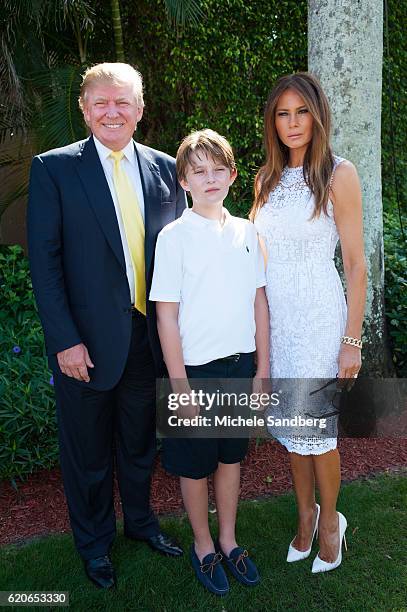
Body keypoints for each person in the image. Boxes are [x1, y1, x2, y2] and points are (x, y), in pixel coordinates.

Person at [27, 62, 186, 589]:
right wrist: (65, 341)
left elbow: (182, 255)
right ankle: (94, 544)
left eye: (123, 102)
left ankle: (140, 523)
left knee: (141, 444)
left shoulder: (167, 170)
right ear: (85, 108)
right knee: (88, 453)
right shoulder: (54, 169)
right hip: (86, 346)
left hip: (148, 340)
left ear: (140, 109)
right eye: (102, 102)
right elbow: (45, 265)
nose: (112, 111)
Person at [251, 72, 367, 573]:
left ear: (317, 116)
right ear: (272, 122)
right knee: (291, 429)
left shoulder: (339, 174)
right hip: (279, 322)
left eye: (302, 112)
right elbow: (252, 255)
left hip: (320, 318)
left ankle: (331, 523)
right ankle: (304, 517)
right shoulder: (264, 180)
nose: (293, 123)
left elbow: (358, 264)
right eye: (283, 113)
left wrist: (352, 341)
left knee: (318, 432)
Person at [149, 129, 269, 595]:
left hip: (240, 367)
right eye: (198, 171)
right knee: (194, 465)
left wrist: (262, 370)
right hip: (192, 374)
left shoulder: (247, 231)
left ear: (233, 175)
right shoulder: (173, 238)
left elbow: (260, 303)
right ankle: (203, 545)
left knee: (230, 458)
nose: (210, 178)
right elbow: (166, 314)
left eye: (218, 169)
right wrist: (179, 387)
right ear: (183, 181)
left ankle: (229, 539)